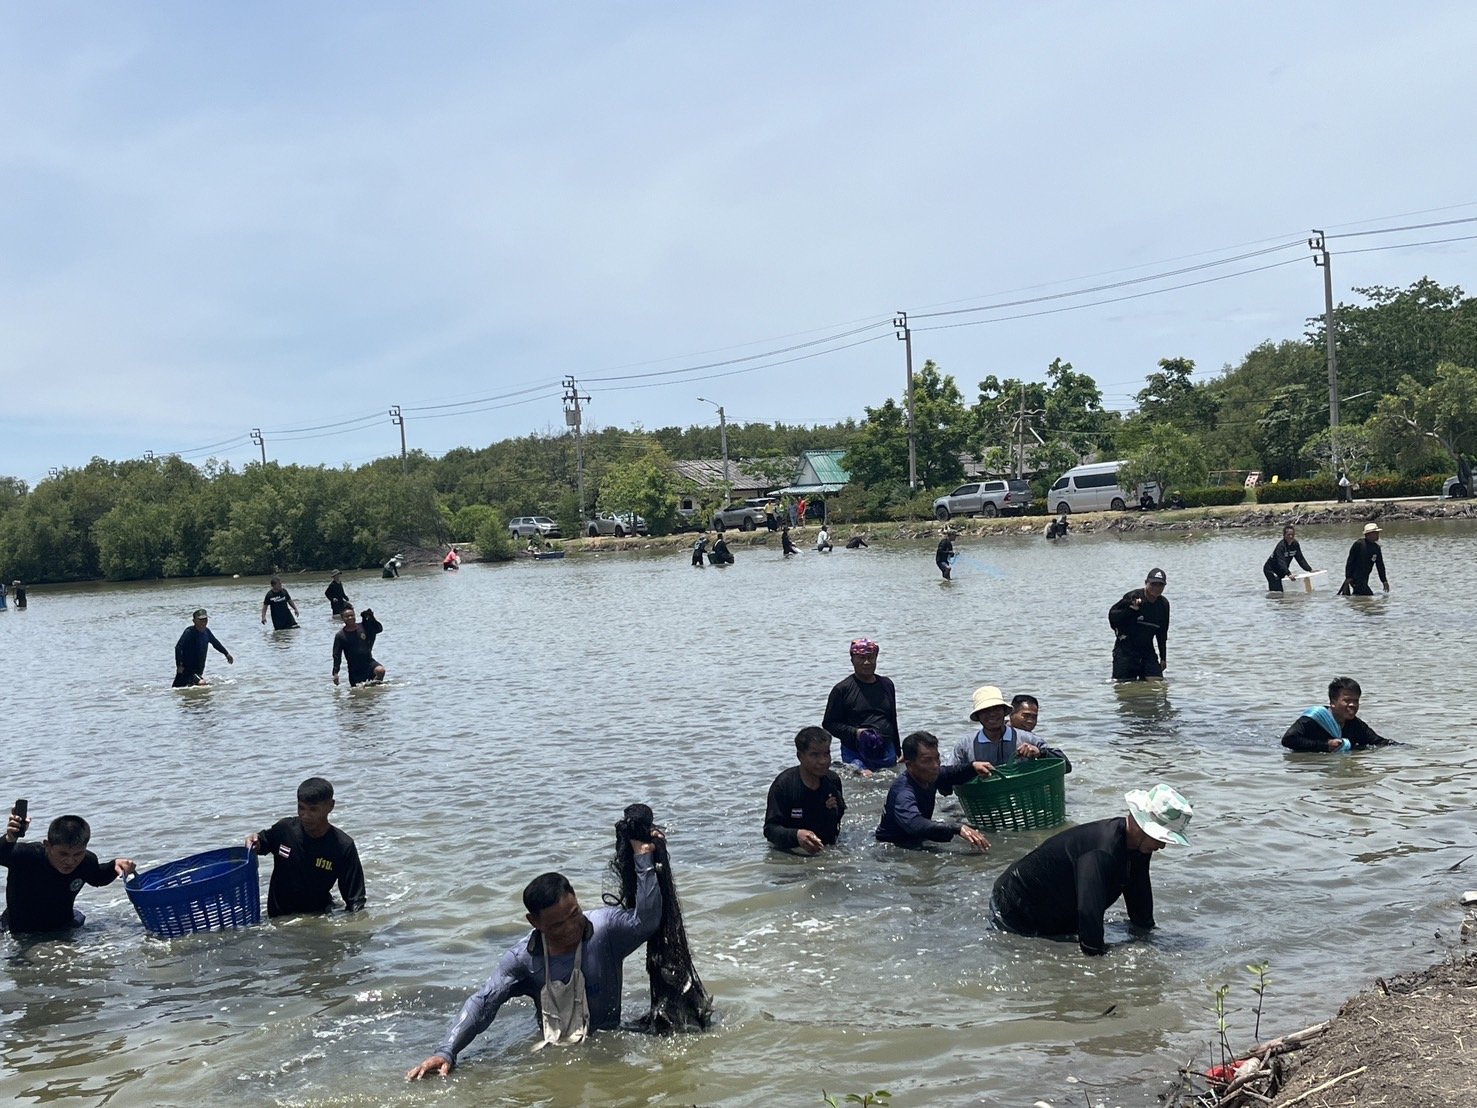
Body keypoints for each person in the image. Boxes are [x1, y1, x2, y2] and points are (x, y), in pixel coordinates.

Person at [405, 835, 661, 1078]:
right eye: (559, 925)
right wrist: (447, 1051)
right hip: (554, 1048)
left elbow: (647, 921)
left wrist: (643, 858)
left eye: (575, 913)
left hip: (608, 1040)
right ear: (534, 922)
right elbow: (483, 1003)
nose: (572, 927)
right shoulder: (523, 960)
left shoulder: (605, 931)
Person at [990, 784, 1192, 957]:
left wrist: (1148, 937)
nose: (1163, 846)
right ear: (1142, 825)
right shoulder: (1101, 851)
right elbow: (1088, 912)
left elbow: (1139, 898)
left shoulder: (1139, 847)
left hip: (1057, 905)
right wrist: (1097, 963)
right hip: (1015, 908)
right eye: (1161, 838)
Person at [247, 777, 366, 917]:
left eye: (313, 810)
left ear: (330, 806)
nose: (305, 816)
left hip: (316, 919)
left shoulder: (343, 846)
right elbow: (261, 844)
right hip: (278, 919)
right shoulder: (284, 830)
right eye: (301, 808)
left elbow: (356, 902)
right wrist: (253, 841)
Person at [2, 811, 135, 934]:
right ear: (47, 845)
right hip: (17, 929)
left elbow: (97, 878)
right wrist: (9, 838)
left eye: (78, 853)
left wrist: (114, 866)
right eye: (63, 854)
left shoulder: (86, 861)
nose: (70, 861)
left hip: (62, 927)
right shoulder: (26, 856)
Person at [874, 732, 991, 851]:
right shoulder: (903, 792)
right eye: (927, 760)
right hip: (893, 848)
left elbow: (951, 773)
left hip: (919, 839)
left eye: (937, 758)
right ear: (909, 765)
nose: (936, 765)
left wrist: (973, 767)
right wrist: (956, 828)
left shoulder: (929, 775)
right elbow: (914, 824)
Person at [821, 638, 900, 774]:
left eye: (871, 657)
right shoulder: (842, 689)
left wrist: (899, 751)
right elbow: (829, 724)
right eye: (861, 658)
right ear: (852, 660)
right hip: (855, 754)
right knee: (864, 784)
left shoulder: (887, 685)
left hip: (887, 750)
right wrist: (856, 733)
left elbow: (892, 719)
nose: (867, 662)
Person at [763, 726, 846, 855]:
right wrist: (796, 835)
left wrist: (834, 809)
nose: (823, 761)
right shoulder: (784, 785)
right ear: (800, 756)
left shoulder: (832, 780)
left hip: (826, 848)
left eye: (826, 753)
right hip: (792, 851)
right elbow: (770, 829)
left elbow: (839, 815)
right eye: (815, 755)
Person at [949, 686, 1071, 772]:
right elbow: (945, 783)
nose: (992, 714)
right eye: (985, 711)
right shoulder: (965, 745)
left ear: (1004, 711)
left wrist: (1040, 753)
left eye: (996, 709)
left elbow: (1066, 766)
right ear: (978, 716)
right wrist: (970, 768)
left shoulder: (1028, 739)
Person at [1280, 676, 1396, 753]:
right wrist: (1325, 745)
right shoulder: (1313, 719)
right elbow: (1288, 740)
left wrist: (1407, 749)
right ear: (1332, 702)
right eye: (1347, 700)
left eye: (1356, 701)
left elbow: (1378, 742)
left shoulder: (1356, 725)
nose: (1352, 705)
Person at [1108, 568, 1169, 681]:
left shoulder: (1163, 604)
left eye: (1160, 585)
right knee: (1124, 688)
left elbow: (1162, 633)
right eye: (1153, 584)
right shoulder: (1133, 596)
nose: (1156, 588)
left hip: (1147, 650)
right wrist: (1131, 610)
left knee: (1158, 685)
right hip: (1126, 649)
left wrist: (1163, 658)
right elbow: (1113, 618)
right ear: (1146, 583)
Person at [173, 608, 234, 687]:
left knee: (185, 688)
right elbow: (178, 648)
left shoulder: (206, 632)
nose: (203, 622)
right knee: (202, 683)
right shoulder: (189, 632)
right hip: (187, 670)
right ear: (194, 621)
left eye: (205, 620)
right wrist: (179, 665)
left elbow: (215, 643)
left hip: (198, 670)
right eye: (200, 620)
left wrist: (226, 653)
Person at [332, 606, 385, 686]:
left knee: (380, 671)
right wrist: (335, 673)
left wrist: (371, 618)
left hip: (369, 662)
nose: (350, 618)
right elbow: (337, 655)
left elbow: (378, 629)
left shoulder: (364, 626)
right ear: (343, 618)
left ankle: (374, 690)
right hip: (354, 669)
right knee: (358, 692)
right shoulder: (340, 636)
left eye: (352, 615)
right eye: (347, 616)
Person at [1340, 523, 1389, 596]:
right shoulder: (1359, 544)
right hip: (1355, 578)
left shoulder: (1376, 548)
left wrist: (1384, 581)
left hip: (1365, 577)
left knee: (1359, 597)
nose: (1377, 534)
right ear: (1368, 534)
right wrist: (1348, 577)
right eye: (1375, 533)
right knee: (1368, 595)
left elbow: (1380, 565)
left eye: (1377, 533)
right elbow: (1350, 561)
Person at [1263, 525, 1315, 592]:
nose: (1291, 537)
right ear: (1284, 535)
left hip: (1281, 570)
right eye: (1288, 535)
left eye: (1292, 535)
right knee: (1276, 590)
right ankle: (1273, 600)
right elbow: (1281, 562)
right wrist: (1289, 574)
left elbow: (1300, 559)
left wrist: (1310, 569)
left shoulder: (1295, 544)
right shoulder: (1281, 546)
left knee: (1282, 590)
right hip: (1270, 570)